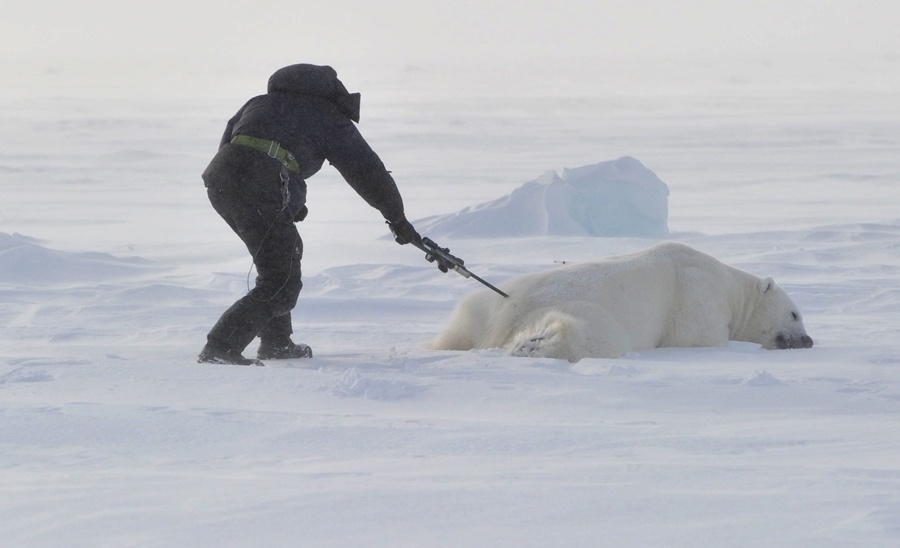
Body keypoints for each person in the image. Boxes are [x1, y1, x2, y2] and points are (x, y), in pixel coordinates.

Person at [198, 64, 422, 366]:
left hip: (221, 180)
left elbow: (237, 148)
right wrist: (397, 219)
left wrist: (287, 198)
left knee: (281, 258)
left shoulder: (258, 103)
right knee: (282, 277)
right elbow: (367, 172)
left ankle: (277, 343)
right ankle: (221, 347)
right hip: (259, 181)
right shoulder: (325, 115)